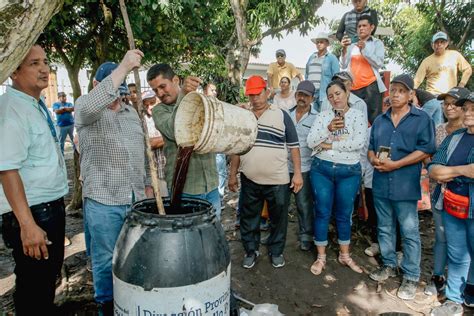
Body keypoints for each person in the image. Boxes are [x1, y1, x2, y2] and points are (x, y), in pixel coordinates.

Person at [75, 51, 153, 315]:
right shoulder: (86, 109)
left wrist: (147, 187)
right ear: (97, 86)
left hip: (135, 199)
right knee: (105, 258)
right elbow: (90, 105)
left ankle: (132, 302)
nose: (117, 97)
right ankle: (106, 305)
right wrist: (125, 65)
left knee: (136, 253)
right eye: (112, 88)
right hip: (104, 201)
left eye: (120, 91)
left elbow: (141, 154)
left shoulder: (132, 114)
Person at [0, 44, 68, 315]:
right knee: (34, 292)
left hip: (47, 209)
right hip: (32, 215)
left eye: (46, 62)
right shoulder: (11, 109)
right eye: (34, 64)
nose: (44, 69)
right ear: (14, 71)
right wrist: (27, 225)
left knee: (42, 288)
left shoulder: (33, 104)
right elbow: (6, 169)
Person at [368, 74, 436, 300]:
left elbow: (426, 149)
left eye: (401, 90)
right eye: (393, 89)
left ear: (410, 95)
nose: (395, 94)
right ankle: (388, 264)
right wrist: (373, 160)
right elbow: (370, 148)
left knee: (409, 232)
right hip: (380, 184)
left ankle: (411, 275)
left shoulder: (421, 119)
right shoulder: (380, 120)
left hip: (404, 185)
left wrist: (396, 164)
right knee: (385, 227)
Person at [228, 75, 302, 269]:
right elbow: (238, 147)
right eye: (251, 95)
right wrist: (232, 174)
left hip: (277, 180)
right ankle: (251, 251)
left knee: (278, 219)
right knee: (248, 217)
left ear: (267, 91)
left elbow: (294, 146)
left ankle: (276, 251)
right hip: (250, 178)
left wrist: (298, 174)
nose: (254, 99)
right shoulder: (244, 116)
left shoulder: (282, 114)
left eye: (258, 93)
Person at [307, 80, 367, 275]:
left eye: (338, 93)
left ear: (347, 93)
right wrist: (328, 130)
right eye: (330, 96)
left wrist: (328, 145)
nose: (334, 98)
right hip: (322, 169)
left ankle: (344, 255)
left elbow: (358, 143)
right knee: (322, 211)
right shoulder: (323, 116)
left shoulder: (358, 115)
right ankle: (321, 257)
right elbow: (311, 142)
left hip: (348, 171)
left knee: (344, 213)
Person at [147, 64, 221, 216]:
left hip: (212, 185)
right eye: (155, 90)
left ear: (175, 80)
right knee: (189, 237)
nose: (159, 93)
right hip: (185, 190)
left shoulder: (200, 102)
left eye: (162, 86)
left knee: (212, 236)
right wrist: (183, 95)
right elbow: (174, 130)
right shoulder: (159, 111)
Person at [428, 92, 474, 315]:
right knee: (457, 254)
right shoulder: (455, 138)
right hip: (453, 205)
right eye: (466, 108)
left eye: (473, 109)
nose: (468, 113)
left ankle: (469, 291)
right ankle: (454, 300)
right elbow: (434, 169)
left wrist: (449, 173)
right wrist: (464, 171)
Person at [288, 81, 317, 251]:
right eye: (300, 94)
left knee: (304, 204)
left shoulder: (317, 117)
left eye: (306, 96)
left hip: (305, 167)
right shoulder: (286, 114)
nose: (302, 98)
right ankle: (276, 232)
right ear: (295, 95)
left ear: (312, 98)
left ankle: (306, 235)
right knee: (279, 203)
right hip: (284, 166)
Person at [341, 14, 386, 124]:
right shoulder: (351, 46)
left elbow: (379, 63)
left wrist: (364, 50)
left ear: (372, 27)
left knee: (375, 121)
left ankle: (376, 142)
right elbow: (343, 65)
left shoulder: (377, 43)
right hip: (354, 88)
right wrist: (344, 49)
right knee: (353, 120)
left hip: (371, 87)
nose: (361, 28)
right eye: (359, 26)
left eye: (364, 25)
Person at [414, 31, 472, 96]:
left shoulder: (455, 55)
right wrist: (412, 94)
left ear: (446, 44)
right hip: (433, 96)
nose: (439, 44)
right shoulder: (426, 61)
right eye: (436, 42)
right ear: (432, 45)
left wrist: (461, 84)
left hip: (450, 96)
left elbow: (467, 69)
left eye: (442, 42)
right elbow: (417, 80)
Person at [203, 82, 227, 209]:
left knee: (221, 172)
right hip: (206, 147)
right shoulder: (201, 105)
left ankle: (220, 197)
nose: (215, 92)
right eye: (212, 90)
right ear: (205, 91)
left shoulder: (219, 105)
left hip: (219, 145)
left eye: (215, 90)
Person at [142, 90, 168, 197]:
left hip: (166, 172)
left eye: (152, 103)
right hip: (151, 174)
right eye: (146, 105)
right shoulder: (143, 120)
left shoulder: (166, 116)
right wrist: (168, 137)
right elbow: (148, 143)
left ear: (157, 100)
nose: (149, 107)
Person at [305, 32, 340, 109]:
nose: (319, 44)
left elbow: (336, 77)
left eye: (321, 42)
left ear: (327, 44)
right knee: (312, 117)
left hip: (324, 93)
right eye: (317, 42)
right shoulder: (311, 57)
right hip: (311, 93)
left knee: (325, 116)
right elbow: (307, 74)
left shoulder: (332, 58)